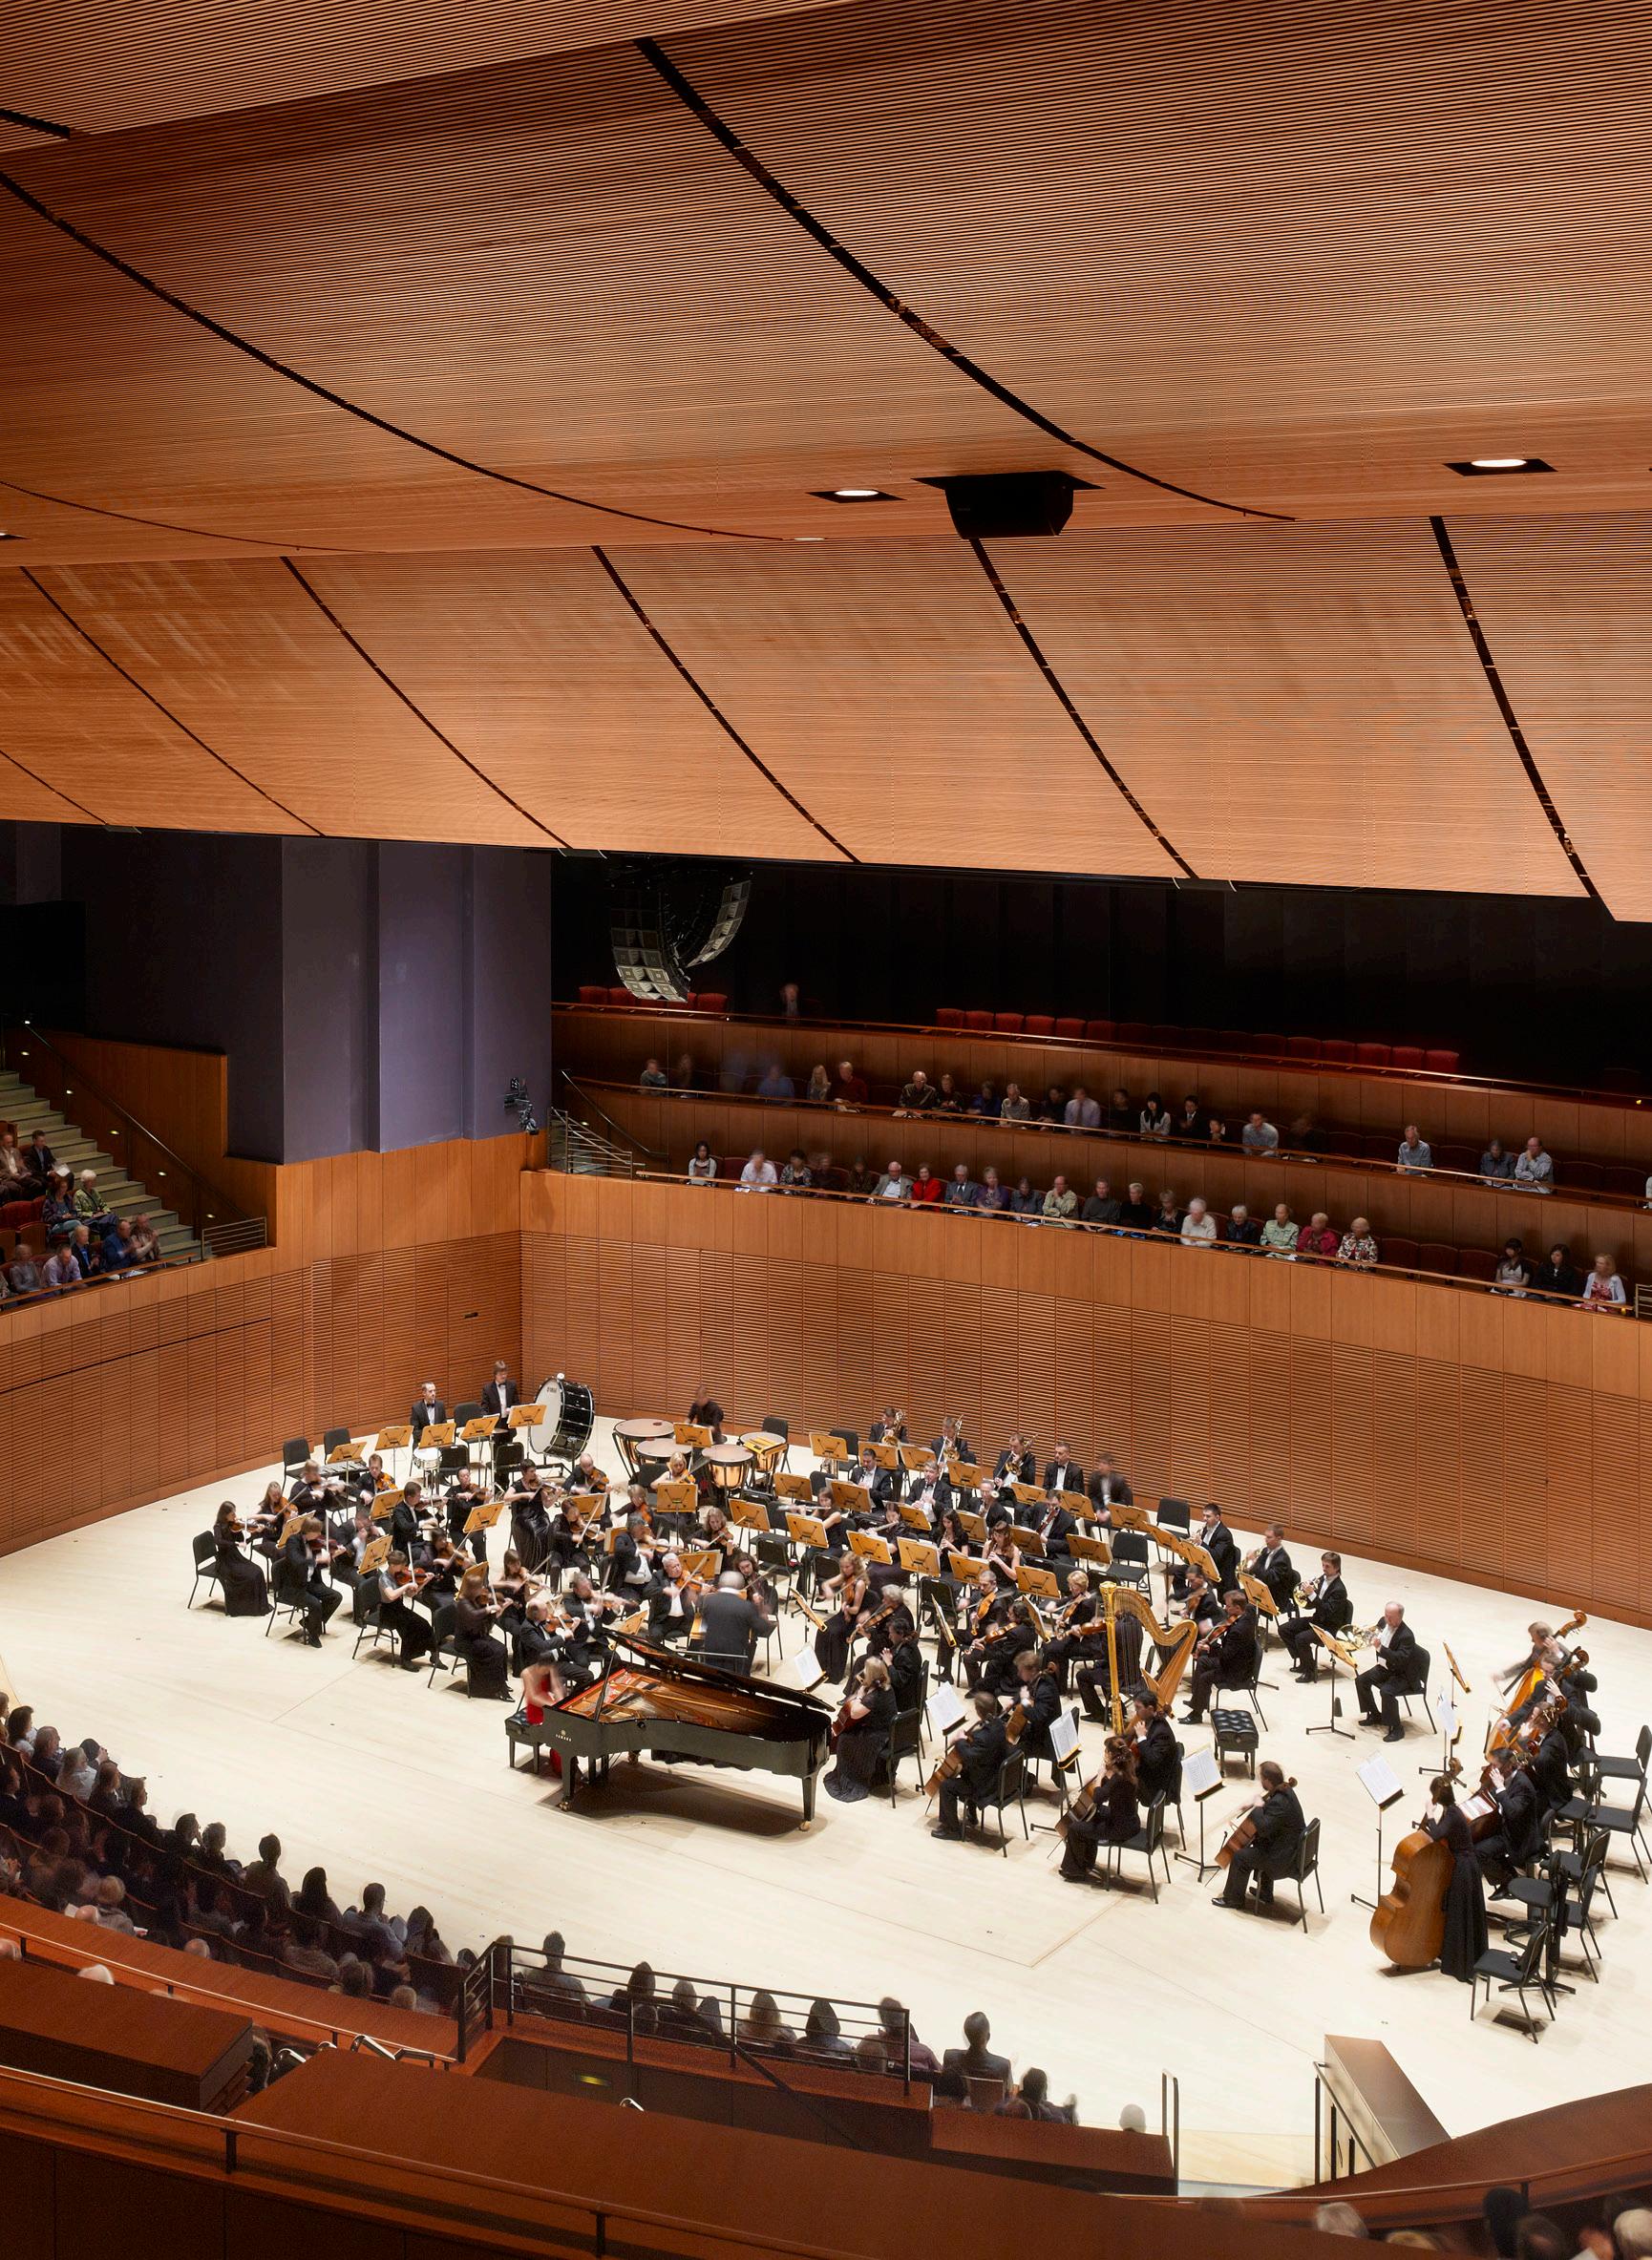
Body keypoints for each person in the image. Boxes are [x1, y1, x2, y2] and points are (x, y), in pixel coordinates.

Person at [1213, 1761, 1306, 1911]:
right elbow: (1272, 1818)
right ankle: (1265, 1892)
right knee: (1260, 1843)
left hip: (1284, 1860)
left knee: (1240, 1856)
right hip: (1291, 1850)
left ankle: (1233, 1899)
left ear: (1268, 1781)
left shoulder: (1279, 1802)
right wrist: (1261, 1803)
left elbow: (1263, 1828)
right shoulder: (1286, 1790)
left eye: (1261, 1778)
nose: (1260, 1781)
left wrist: (1257, 1806)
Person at [1422, 1774, 1487, 1980]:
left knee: (1461, 1914)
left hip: (1464, 1868)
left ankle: (1462, 1964)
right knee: (1462, 1913)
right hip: (1465, 1864)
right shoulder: (1452, 1810)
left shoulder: (1451, 1814)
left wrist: (1429, 1814)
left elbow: (1436, 1834)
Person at [1058, 1733, 1140, 1883]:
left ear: (1111, 1755)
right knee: (1094, 1814)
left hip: (1121, 1828)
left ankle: (1074, 1871)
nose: (1104, 1754)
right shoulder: (1127, 1771)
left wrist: (1100, 1776)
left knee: (1075, 1828)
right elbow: (1107, 1793)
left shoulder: (1118, 1778)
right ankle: (1086, 1862)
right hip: (1129, 1821)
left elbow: (1098, 1798)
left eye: (1106, 1751)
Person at [931, 1695, 1009, 1842]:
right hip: (996, 1776)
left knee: (946, 1786)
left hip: (986, 1786)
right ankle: (972, 1815)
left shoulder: (983, 1736)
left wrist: (960, 1741)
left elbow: (969, 1756)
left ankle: (952, 1830)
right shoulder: (999, 1725)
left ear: (978, 1710)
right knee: (966, 1771)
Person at [825, 1656, 896, 1803]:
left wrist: (859, 1695)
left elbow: (854, 1713)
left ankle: (853, 1780)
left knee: (845, 1739)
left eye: (866, 1670)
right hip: (884, 1729)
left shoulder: (874, 1696)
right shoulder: (886, 1686)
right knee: (847, 1735)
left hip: (877, 1735)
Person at [1181, 1591, 1259, 1723]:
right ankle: (1198, 1700)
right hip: (1235, 1661)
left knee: (1205, 1677)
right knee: (1202, 1661)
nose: (1225, 1608)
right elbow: (1250, 1607)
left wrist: (1209, 1648)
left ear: (1238, 1608)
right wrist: (1209, 1641)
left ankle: (1196, 1715)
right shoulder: (1246, 1614)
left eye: (1228, 1606)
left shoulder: (1239, 1630)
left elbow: (1226, 1655)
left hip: (1237, 1672)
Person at [1356, 1603, 1419, 1741]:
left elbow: (1399, 1659)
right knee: (1361, 1681)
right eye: (1386, 1615)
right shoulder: (1383, 1622)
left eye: (1391, 1617)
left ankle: (1397, 1728)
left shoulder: (1406, 1636)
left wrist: (1380, 1648)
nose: (1387, 1620)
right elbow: (1375, 1632)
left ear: (1400, 1617)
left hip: (1402, 1674)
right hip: (1385, 1667)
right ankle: (1375, 1715)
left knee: (1386, 1691)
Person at [1281, 1552, 1350, 1679]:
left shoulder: (1339, 1590)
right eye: (1323, 1565)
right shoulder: (1323, 1579)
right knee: (1284, 1629)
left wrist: (1312, 1594)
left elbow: (1327, 1611)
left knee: (1301, 1638)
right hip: (1317, 1619)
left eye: (1327, 1566)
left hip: (1329, 1627)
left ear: (1336, 1568)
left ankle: (1310, 1672)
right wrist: (1306, 1594)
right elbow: (1313, 1605)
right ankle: (1305, 1662)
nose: (1323, 1569)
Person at [688, 1571, 773, 1672]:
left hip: (712, 1651)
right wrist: (760, 1608)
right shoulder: (746, 1606)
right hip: (735, 1655)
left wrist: (702, 1594)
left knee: (712, 1677)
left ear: (720, 1584)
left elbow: (700, 1607)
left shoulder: (709, 1601)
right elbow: (763, 1628)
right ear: (740, 1586)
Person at [284, 1517, 344, 1647]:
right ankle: (313, 1636)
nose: (320, 1535)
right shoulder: (293, 1541)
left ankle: (309, 1622)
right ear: (309, 1531)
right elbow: (296, 1561)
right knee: (315, 1604)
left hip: (310, 1582)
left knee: (336, 1597)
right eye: (317, 1532)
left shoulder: (312, 1542)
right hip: (295, 1586)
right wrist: (316, 1560)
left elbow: (318, 1565)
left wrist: (333, 1554)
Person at [454, 1564, 510, 1697]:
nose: (482, 1589)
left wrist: (501, 1609)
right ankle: (488, 1688)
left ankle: (500, 1683)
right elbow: (474, 1616)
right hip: (466, 1641)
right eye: (479, 1587)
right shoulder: (463, 1603)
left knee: (502, 1649)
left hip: (478, 1635)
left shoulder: (476, 1599)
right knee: (493, 1652)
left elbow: (485, 1620)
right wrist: (489, 1609)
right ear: (472, 1589)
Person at [211, 1500, 269, 1616]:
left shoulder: (235, 1525)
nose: (235, 1516)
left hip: (236, 1557)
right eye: (232, 1514)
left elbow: (243, 1540)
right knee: (250, 1576)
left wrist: (255, 1532)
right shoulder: (217, 1527)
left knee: (258, 1571)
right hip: (225, 1562)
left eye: (235, 1513)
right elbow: (218, 1542)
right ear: (225, 1515)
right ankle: (245, 1607)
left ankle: (259, 1606)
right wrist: (235, 1544)